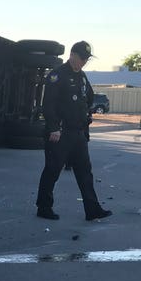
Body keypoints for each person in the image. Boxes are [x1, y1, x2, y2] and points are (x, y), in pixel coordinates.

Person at [35, 41, 112, 221]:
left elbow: (89, 98)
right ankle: (43, 207)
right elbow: (48, 105)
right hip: (60, 133)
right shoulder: (57, 75)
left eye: (86, 59)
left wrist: (85, 116)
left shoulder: (82, 77)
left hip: (78, 134)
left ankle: (92, 209)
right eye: (81, 58)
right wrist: (54, 127)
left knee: (85, 172)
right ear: (72, 55)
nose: (84, 62)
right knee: (52, 170)